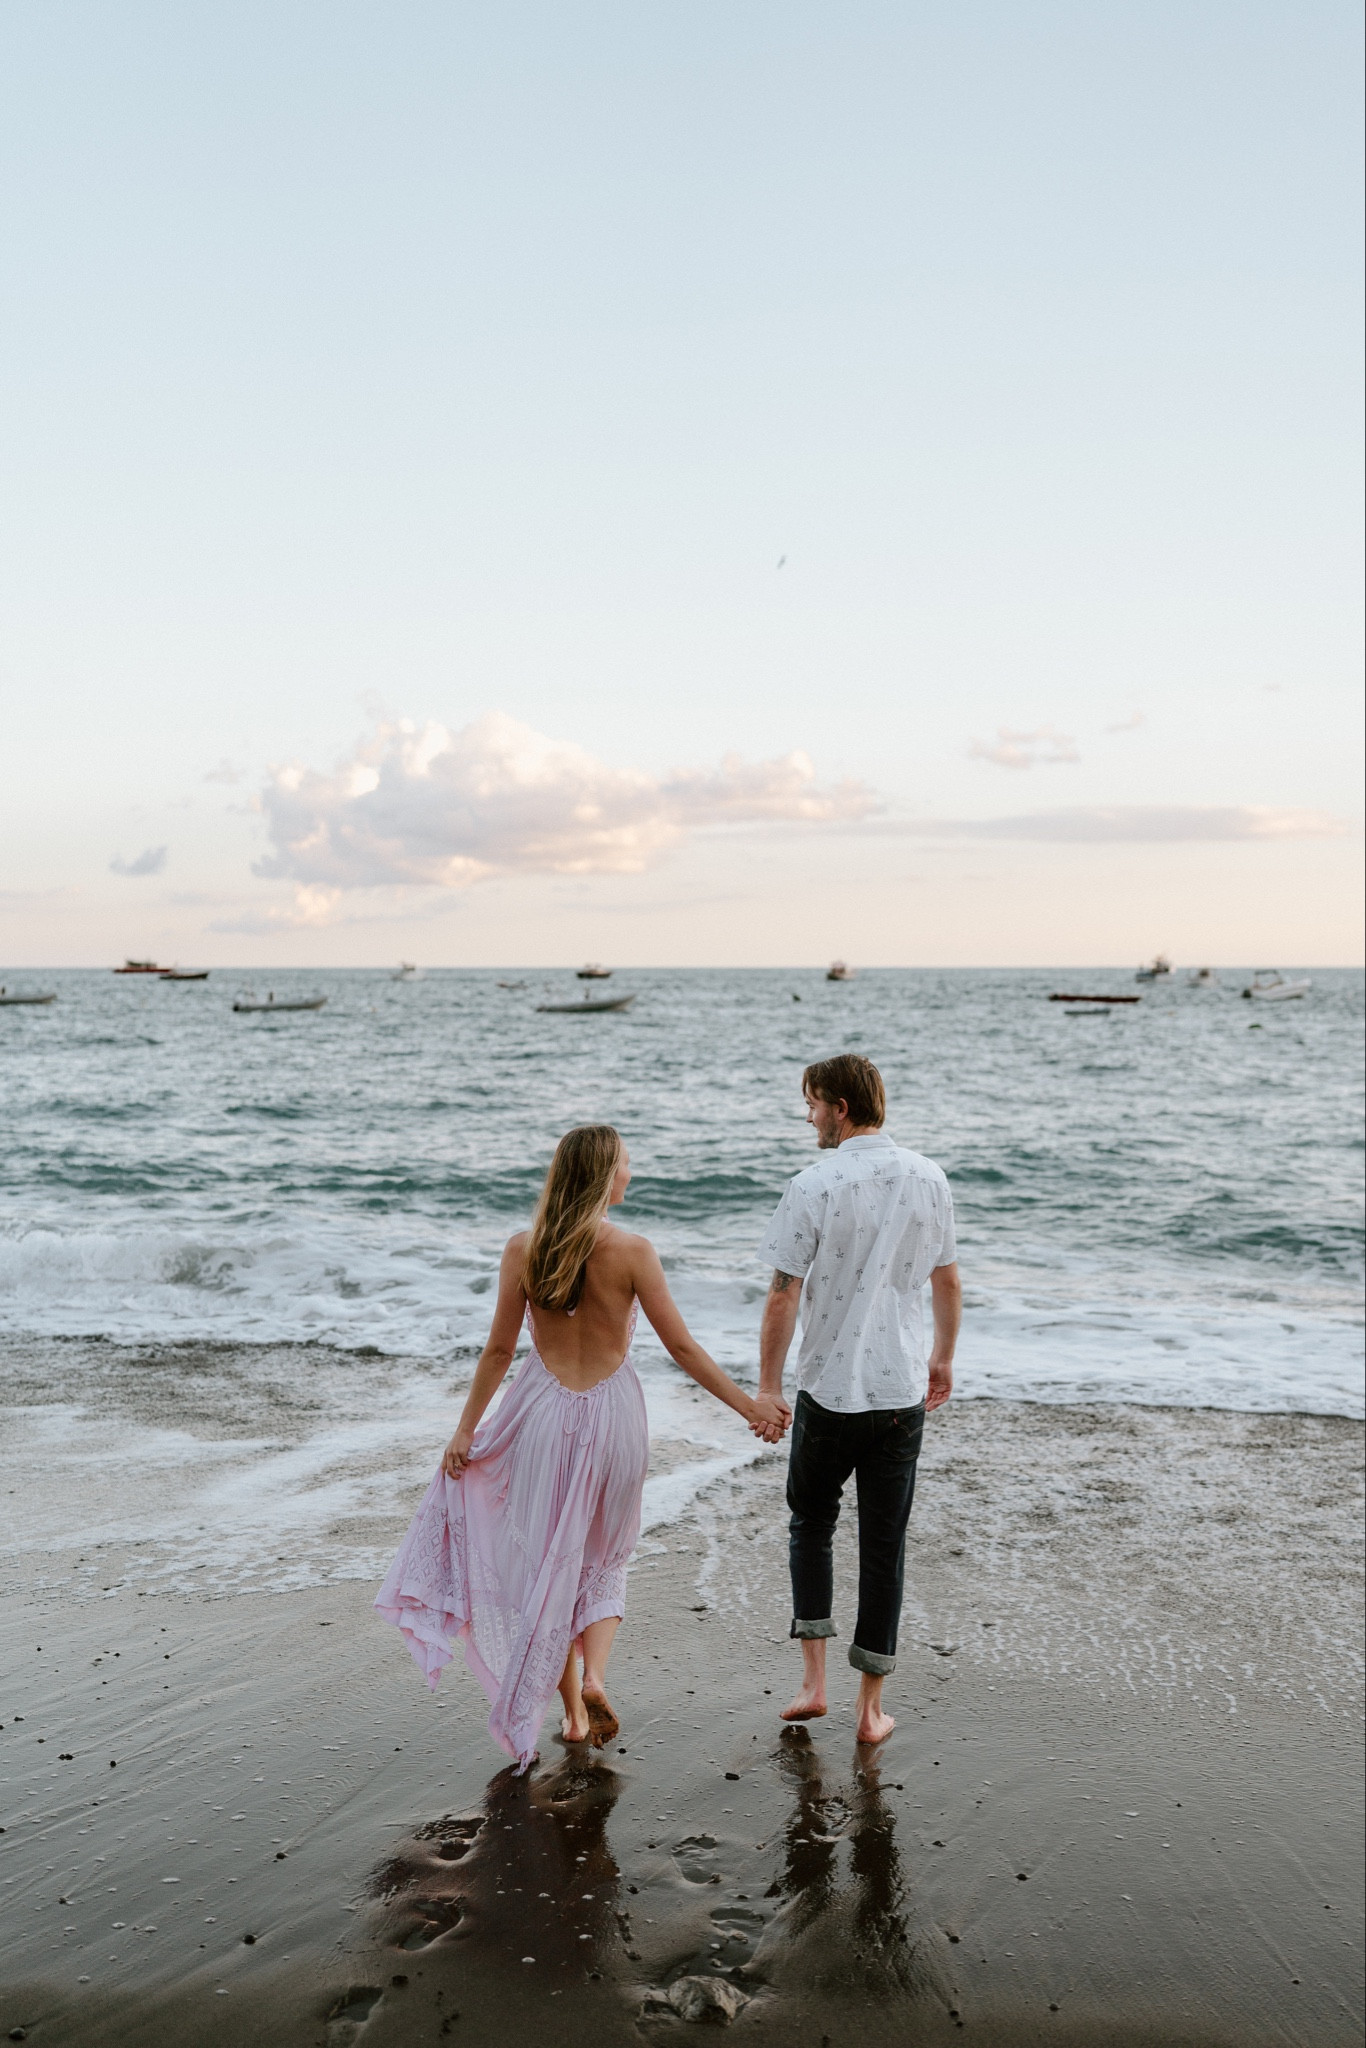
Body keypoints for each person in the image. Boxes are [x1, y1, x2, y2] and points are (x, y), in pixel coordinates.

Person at [375, 1124, 791, 1770]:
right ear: (603, 1176)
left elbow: (498, 1351)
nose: (632, 1175)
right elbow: (682, 1349)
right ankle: (595, 1676)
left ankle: (571, 1714)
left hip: (540, 1416)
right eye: (626, 1165)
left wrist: (464, 1432)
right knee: (605, 1558)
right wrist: (750, 1409)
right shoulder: (633, 1251)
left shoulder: (523, 1250)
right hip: (614, 1417)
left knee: (550, 1564)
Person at [758, 1054, 961, 1746]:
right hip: (900, 1393)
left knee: (810, 1525)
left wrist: (767, 1387)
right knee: (883, 1545)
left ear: (840, 1107)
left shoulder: (814, 1184)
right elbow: (948, 1282)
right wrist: (942, 1358)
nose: (809, 1115)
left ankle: (813, 1684)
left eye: (812, 1103)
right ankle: (870, 1711)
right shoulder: (929, 1177)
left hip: (828, 1391)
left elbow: (783, 1293)